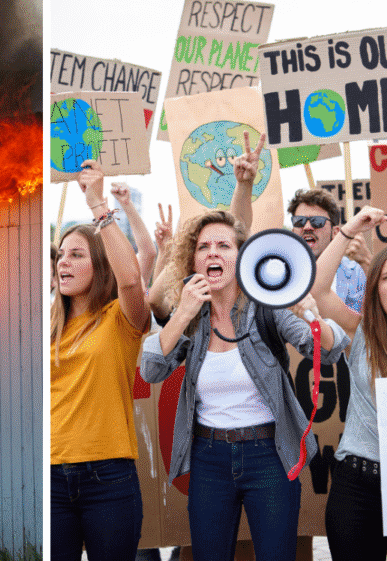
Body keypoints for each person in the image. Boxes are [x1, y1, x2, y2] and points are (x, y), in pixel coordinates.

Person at [139, 208, 348, 561]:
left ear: (241, 256)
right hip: (208, 458)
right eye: (204, 247)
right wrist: (183, 314)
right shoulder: (192, 315)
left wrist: (310, 312)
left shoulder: (267, 307)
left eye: (224, 245)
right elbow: (151, 370)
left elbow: (330, 351)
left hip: (269, 455)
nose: (213, 253)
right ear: (193, 259)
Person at [51, 159, 151, 561]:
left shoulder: (119, 320)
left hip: (108, 478)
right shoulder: (48, 327)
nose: (63, 262)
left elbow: (130, 278)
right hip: (53, 478)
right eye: (60, 254)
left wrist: (99, 206)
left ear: (99, 265)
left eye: (76, 255)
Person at [310, 205, 387, 560]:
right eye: (385, 278)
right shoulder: (362, 334)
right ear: (374, 288)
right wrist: (350, 228)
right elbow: (319, 289)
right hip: (357, 485)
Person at [287, 188, 372, 312]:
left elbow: (375, 317)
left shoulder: (355, 273)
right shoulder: (281, 272)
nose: (307, 227)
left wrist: (366, 261)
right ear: (293, 230)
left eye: (317, 222)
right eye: (299, 221)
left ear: (335, 232)